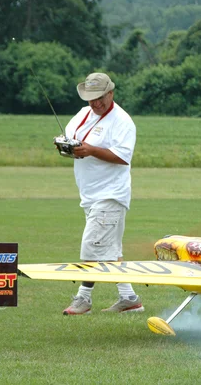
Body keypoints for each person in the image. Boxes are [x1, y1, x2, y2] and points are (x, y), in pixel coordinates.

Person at [61, 72, 143, 315]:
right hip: (89, 194)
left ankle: (83, 299)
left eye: (99, 98)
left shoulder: (122, 121)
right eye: (90, 99)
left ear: (111, 93)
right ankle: (129, 298)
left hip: (110, 195)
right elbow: (75, 144)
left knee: (91, 247)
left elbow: (122, 157)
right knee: (109, 251)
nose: (95, 103)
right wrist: (67, 149)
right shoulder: (82, 115)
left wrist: (91, 150)